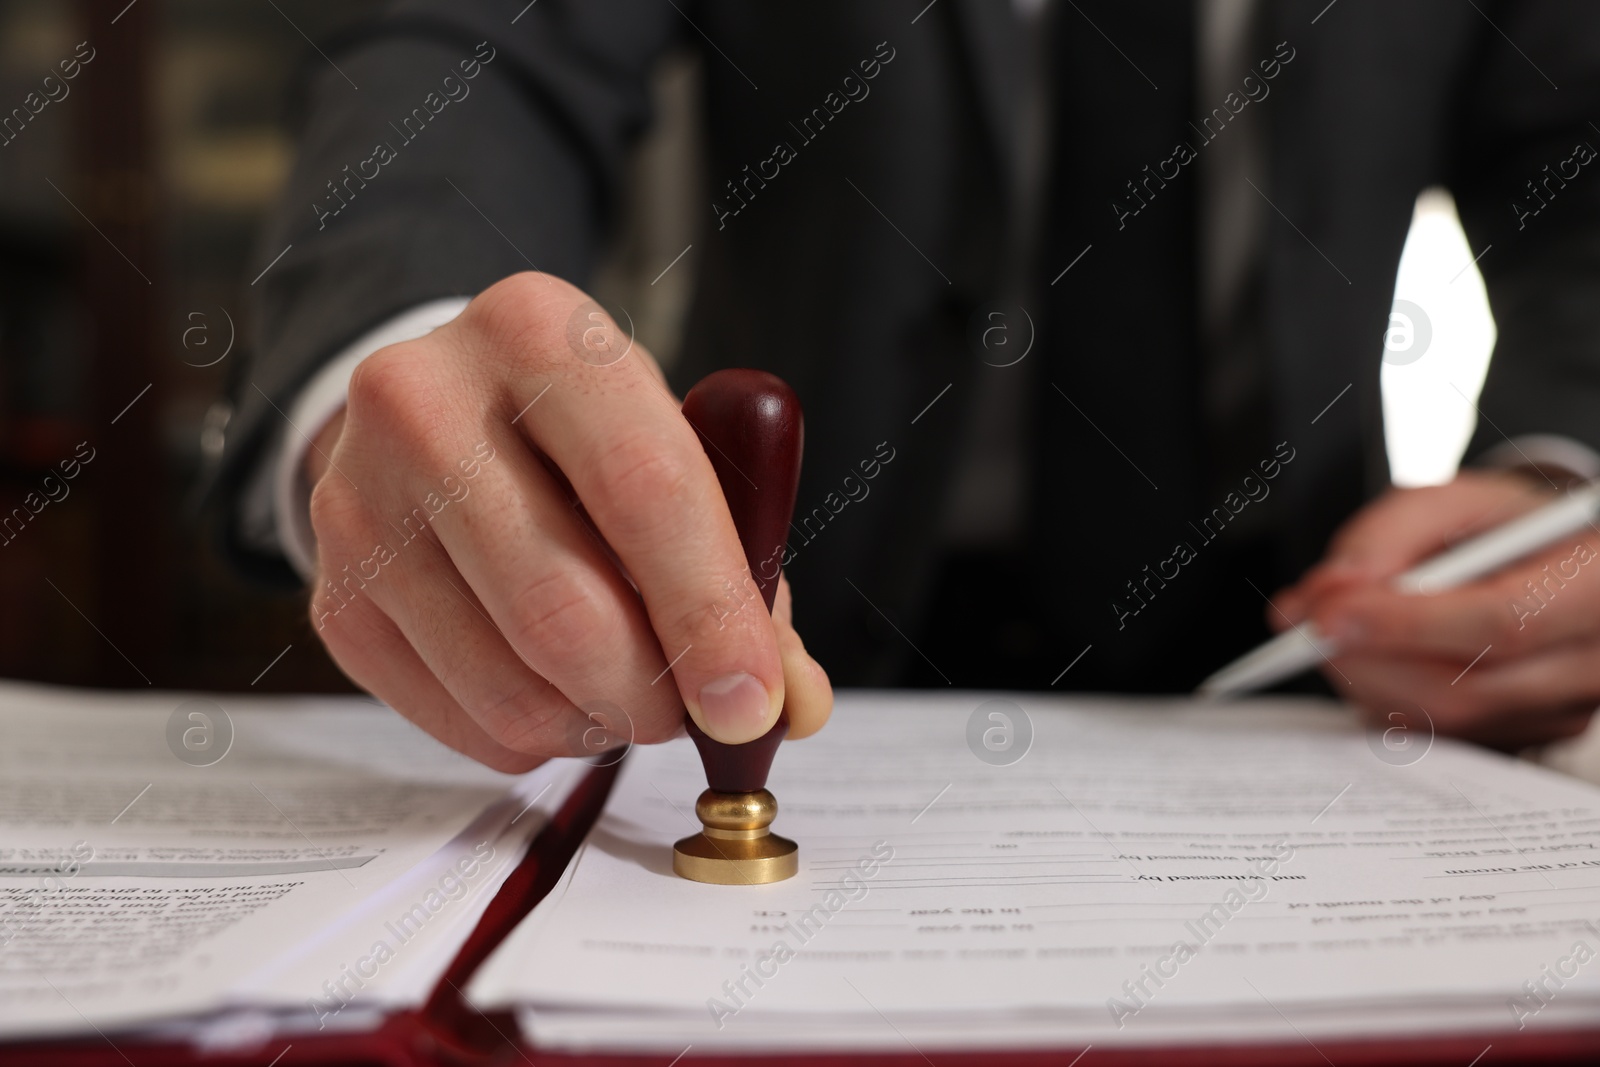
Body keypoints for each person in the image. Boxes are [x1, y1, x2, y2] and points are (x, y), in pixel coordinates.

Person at [208, 0, 1600, 768]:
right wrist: (400, 356)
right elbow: (466, 52)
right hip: (790, 635)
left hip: (1318, 654)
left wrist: (1562, 487)